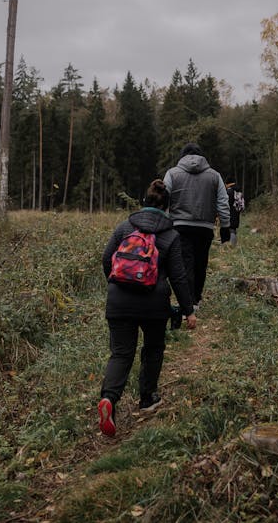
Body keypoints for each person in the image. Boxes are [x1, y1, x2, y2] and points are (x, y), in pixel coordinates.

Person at [98, 179, 196, 437]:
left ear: (144, 201)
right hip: (154, 303)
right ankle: (147, 398)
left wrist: (115, 282)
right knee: (153, 348)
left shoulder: (124, 227)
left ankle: (109, 399)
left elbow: (106, 259)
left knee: (121, 353)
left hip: (118, 300)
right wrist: (188, 310)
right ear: (167, 207)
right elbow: (178, 276)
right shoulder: (171, 234)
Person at [163, 143, 231, 309]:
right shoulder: (215, 176)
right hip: (205, 227)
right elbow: (223, 202)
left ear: (182, 156)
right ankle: (196, 298)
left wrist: (163, 224)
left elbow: (164, 199)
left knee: (185, 263)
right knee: (201, 263)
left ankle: (188, 301)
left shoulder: (172, 173)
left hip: (179, 226)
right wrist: (225, 226)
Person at [225, 179, 245, 247]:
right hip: (236, 212)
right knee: (233, 228)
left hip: (230, 212)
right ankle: (234, 244)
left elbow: (226, 203)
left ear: (228, 184)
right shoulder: (238, 191)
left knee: (230, 228)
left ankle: (232, 245)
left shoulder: (229, 191)